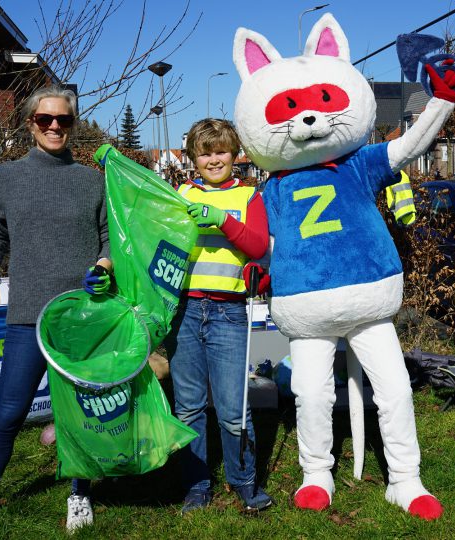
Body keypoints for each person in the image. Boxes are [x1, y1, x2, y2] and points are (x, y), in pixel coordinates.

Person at [0, 86, 112, 539]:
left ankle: (79, 492)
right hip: (28, 315)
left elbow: (108, 237)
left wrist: (103, 266)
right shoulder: (7, 176)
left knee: (79, 409)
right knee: (10, 412)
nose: (55, 126)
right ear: (30, 122)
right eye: (45, 119)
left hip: (80, 315)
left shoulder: (92, 181)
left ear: (74, 125)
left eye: (64, 120)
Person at [164, 118, 273, 514]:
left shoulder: (248, 197)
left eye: (221, 151)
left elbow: (259, 244)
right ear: (193, 156)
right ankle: (196, 485)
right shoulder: (179, 193)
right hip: (185, 312)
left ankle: (243, 481)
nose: (214, 159)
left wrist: (222, 220)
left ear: (234, 154)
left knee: (232, 407)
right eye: (205, 152)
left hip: (229, 311)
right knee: (189, 406)